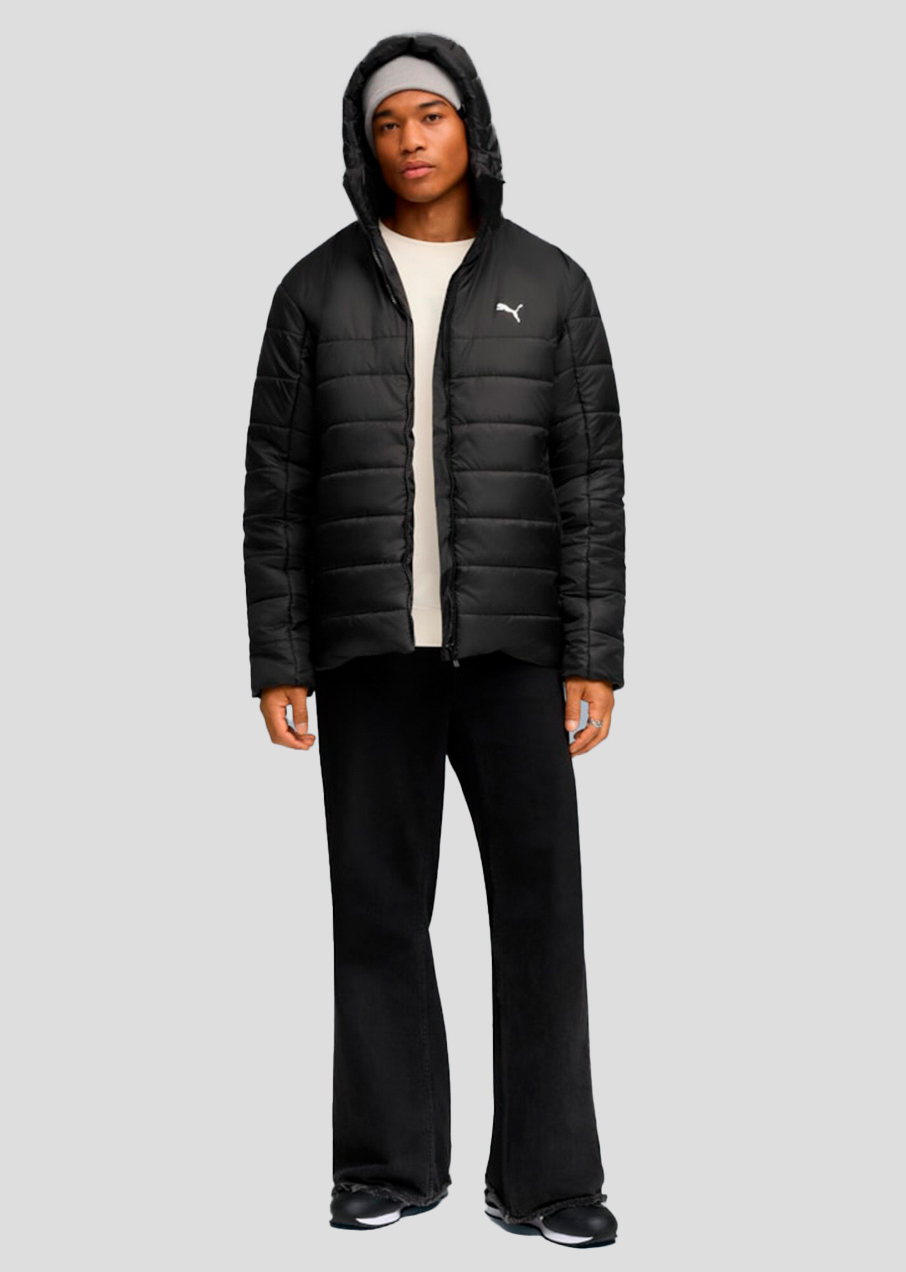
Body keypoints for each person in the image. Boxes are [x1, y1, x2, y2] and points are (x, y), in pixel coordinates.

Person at [243, 31, 625, 1249]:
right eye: (386, 122)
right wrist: (279, 657)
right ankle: (386, 1165)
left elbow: (591, 483)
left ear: (472, 127)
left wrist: (593, 653)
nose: (409, 140)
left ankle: (548, 1180)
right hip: (368, 655)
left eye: (430, 115)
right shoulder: (313, 292)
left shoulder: (550, 284)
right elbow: (274, 492)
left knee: (540, 912)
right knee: (376, 909)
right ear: (363, 145)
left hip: (516, 651)